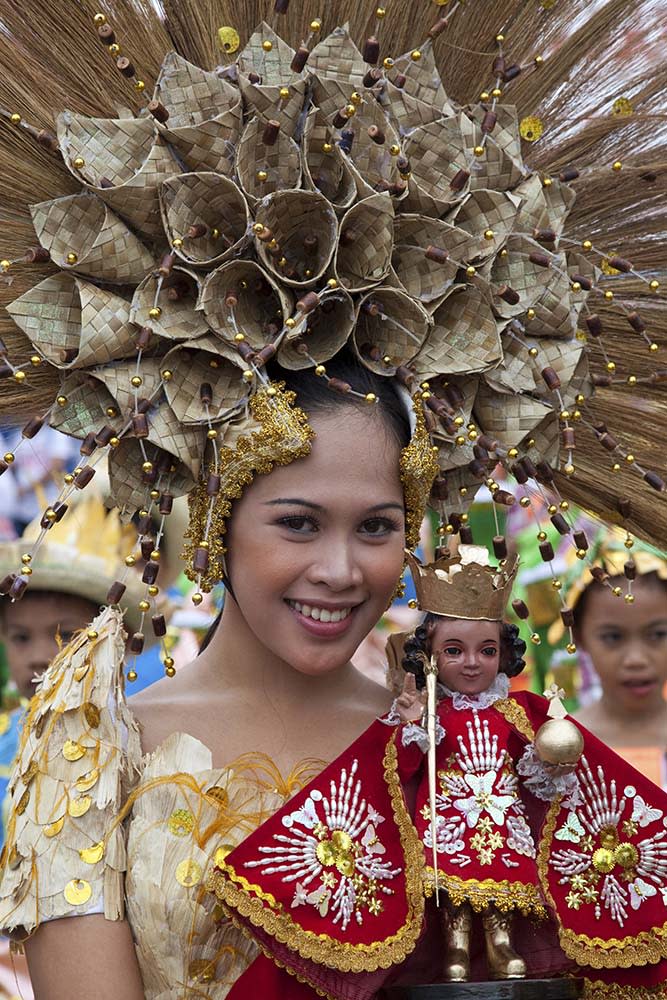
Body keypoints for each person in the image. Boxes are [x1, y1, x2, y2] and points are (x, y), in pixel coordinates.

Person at [0, 3, 666, 999]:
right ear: (221, 517)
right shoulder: (99, 744)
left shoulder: (467, 746)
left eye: (379, 527)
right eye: (298, 522)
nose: (341, 569)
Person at [553, 530, 667, 783]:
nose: (636, 659)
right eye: (613, 637)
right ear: (579, 637)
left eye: (658, 634)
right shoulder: (561, 748)